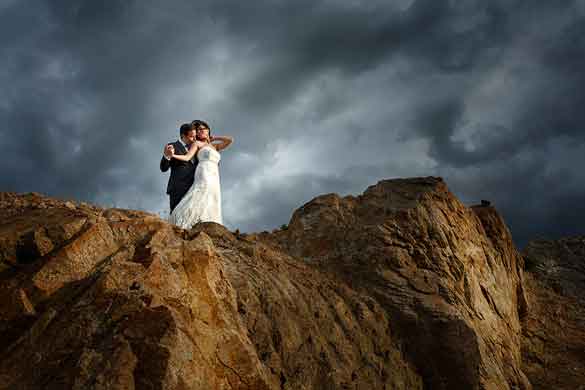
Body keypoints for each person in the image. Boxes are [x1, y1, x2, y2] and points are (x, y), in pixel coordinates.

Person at [168, 120, 233, 228]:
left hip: (214, 175)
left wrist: (214, 138)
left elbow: (230, 140)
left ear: (208, 130)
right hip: (204, 171)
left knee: (213, 196)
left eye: (203, 129)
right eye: (198, 130)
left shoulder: (215, 147)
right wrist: (172, 155)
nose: (201, 131)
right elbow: (187, 157)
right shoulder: (197, 144)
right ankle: (188, 221)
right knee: (202, 193)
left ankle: (209, 221)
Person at [160, 123, 198, 212]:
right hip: (177, 188)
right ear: (183, 136)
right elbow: (163, 168)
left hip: (193, 188)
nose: (194, 139)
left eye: (195, 136)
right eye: (192, 136)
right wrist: (167, 156)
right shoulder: (172, 146)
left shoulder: (196, 147)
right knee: (176, 216)